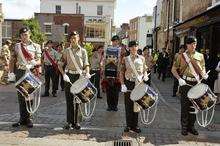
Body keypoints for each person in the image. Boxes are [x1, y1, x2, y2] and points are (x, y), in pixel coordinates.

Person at [171, 36, 208, 136]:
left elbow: (203, 67)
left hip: (196, 83)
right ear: (187, 45)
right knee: (185, 105)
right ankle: (184, 127)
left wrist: (204, 73)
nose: (194, 46)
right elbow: (173, 69)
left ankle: (192, 127)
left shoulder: (200, 56)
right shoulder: (180, 56)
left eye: (195, 44)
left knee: (195, 105)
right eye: (191, 44)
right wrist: (179, 79)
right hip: (185, 83)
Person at [8, 27, 42, 128]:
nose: (24, 36)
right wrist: (11, 73)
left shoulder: (36, 46)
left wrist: (34, 63)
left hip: (30, 72)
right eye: (22, 35)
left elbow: (40, 60)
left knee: (29, 95)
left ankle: (29, 118)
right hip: (20, 71)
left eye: (26, 34)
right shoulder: (17, 46)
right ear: (20, 36)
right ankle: (22, 119)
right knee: (21, 96)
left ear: (29, 34)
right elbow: (12, 60)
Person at [58, 31, 91, 130]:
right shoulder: (66, 51)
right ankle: (69, 121)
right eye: (71, 38)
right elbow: (60, 64)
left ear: (78, 39)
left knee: (78, 99)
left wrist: (87, 73)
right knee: (69, 100)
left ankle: (77, 122)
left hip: (79, 77)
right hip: (69, 76)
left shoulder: (83, 51)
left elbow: (86, 64)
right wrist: (63, 74)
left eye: (75, 38)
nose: (73, 40)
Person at [120, 41, 148, 133]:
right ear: (129, 48)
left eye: (135, 46)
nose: (133, 48)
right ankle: (128, 125)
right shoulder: (125, 59)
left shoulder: (142, 58)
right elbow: (121, 72)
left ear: (137, 47)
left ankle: (135, 125)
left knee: (137, 104)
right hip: (128, 83)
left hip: (138, 83)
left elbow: (145, 69)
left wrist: (145, 75)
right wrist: (122, 84)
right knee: (128, 105)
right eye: (131, 46)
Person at [102, 35, 121, 111]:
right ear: (112, 42)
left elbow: (121, 61)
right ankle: (109, 106)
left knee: (116, 91)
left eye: (117, 41)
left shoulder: (120, 49)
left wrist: (119, 71)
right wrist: (103, 70)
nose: (115, 43)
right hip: (108, 71)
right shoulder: (107, 49)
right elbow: (104, 60)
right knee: (109, 90)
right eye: (114, 41)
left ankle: (115, 106)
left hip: (117, 72)